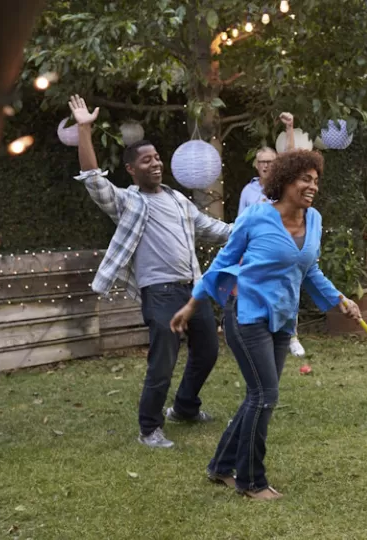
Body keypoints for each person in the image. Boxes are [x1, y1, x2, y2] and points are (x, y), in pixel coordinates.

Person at [170, 150, 361, 501]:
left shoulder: (314, 219)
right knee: (264, 395)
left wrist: (340, 300)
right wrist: (192, 304)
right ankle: (251, 481)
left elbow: (309, 270)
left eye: (316, 180)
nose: (312, 186)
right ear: (285, 180)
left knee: (258, 396)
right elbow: (222, 263)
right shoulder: (256, 217)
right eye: (305, 178)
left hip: (283, 318)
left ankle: (221, 466)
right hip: (246, 314)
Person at [68, 95, 232, 448]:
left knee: (207, 352)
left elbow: (212, 228)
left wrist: (251, 227)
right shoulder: (129, 202)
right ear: (132, 169)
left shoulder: (177, 199)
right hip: (160, 293)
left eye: (157, 158)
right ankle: (149, 428)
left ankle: (185, 408)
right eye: (146, 160)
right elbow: (94, 181)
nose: (155, 164)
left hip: (194, 290)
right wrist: (84, 130)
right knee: (163, 362)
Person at [236, 113, 306, 357]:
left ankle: (291, 336)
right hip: (257, 253)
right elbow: (239, 225)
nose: (266, 165)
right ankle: (261, 335)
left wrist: (289, 128)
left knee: (288, 290)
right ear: (257, 165)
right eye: (262, 162)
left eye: (271, 161)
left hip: (283, 248)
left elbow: (293, 159)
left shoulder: (284, 187)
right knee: (258, 293)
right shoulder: (248, 191)